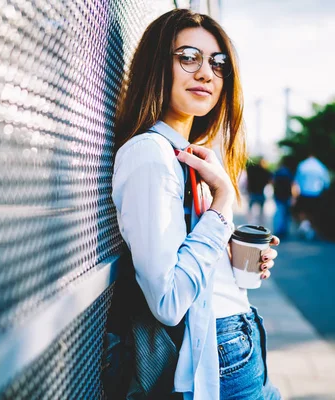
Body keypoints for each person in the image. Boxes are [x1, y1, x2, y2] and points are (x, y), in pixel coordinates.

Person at [112, 9, 281, 399]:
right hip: (218, 355)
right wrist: (222, 203)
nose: (206, 73)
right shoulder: (149, 155)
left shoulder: (191, 155)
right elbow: (169, 301)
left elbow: (194, 260)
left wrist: (232, 258)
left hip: (241, 336)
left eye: (218, 63)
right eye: (188, 57)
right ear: (157, 65)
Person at [293, 152, 330, 240]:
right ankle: (312, 230)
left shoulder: (302, 165)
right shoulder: (320, 166)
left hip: (304, 193)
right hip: (316, 194)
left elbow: (296, 181)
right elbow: (326, 183)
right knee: (314, 213)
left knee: (303, 212)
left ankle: (304, 226)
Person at [272, 158, 294, 238]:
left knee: (279, 213)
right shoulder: (289, 173)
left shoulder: (277, 172)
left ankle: (278, 230)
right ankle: (284, 230)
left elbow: (273, 183)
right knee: (286, 214)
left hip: (278, 195)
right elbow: (292, 185)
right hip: (287, 195)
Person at [246, 158, 272, 224]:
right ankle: (260, 223)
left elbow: (249, 180)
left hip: (254, 192)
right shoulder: (266, 172)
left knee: (251, 208)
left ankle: (250, 222)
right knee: (261, 209)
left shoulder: (254, 170)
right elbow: (269, 181)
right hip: (260, 192)